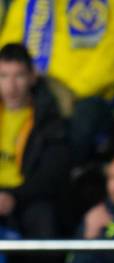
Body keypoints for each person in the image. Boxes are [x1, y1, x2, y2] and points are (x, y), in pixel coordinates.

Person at [0, 0, 114, 166]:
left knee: (80, 120)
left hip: (83, 97)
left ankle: (63, 178)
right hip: (30, 87)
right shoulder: (27, 3)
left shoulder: (112, 6)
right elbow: (7, 50)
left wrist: (69, 94)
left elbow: (110, 65)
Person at [0, 43, 68, 238]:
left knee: (43, 216)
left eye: (19, 75)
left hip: (27, 197)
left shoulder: (48, 117)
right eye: (3, 76)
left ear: (32, 77)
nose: (11, 86)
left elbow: (52, 173)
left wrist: (14, 197)